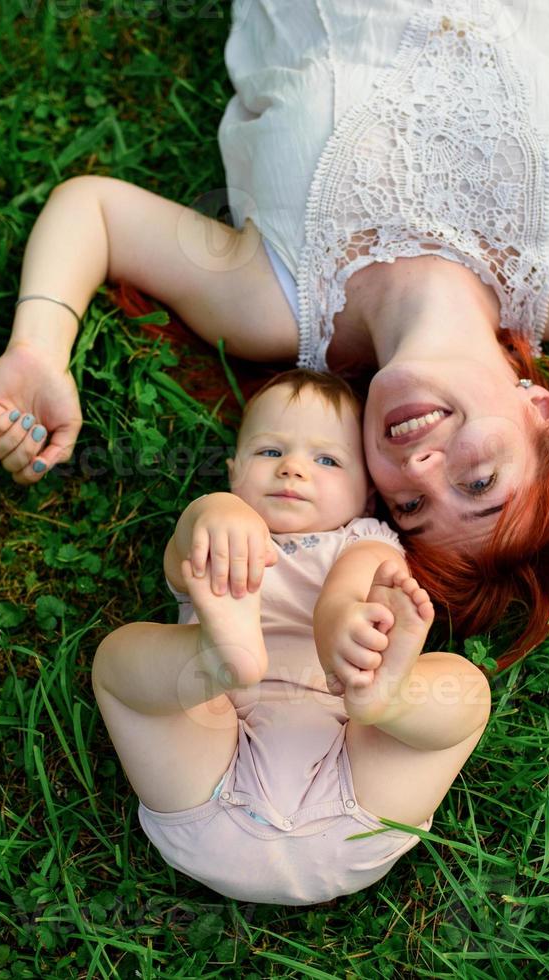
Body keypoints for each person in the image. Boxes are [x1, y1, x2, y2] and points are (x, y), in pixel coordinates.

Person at [0, 0, 549, 665]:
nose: (419, 466)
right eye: (478, 479)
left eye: (404, 506)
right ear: (543, 416)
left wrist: (37, 350)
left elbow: (92, 211)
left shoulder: (271, 304)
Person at [91, 369, 490, 905]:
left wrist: (345, 624)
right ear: (233, 471)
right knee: (119, 660)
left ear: (367, 493)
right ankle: (217, 658)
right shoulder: (219, 537)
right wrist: (211, 512)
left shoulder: (363, 540)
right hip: (209, 767)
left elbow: (350, 591)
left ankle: (387, 699)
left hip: (353, 784)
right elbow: (179, 556)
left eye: (327, 460)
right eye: (268, 451)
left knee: (465, 690)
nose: (293, 468)